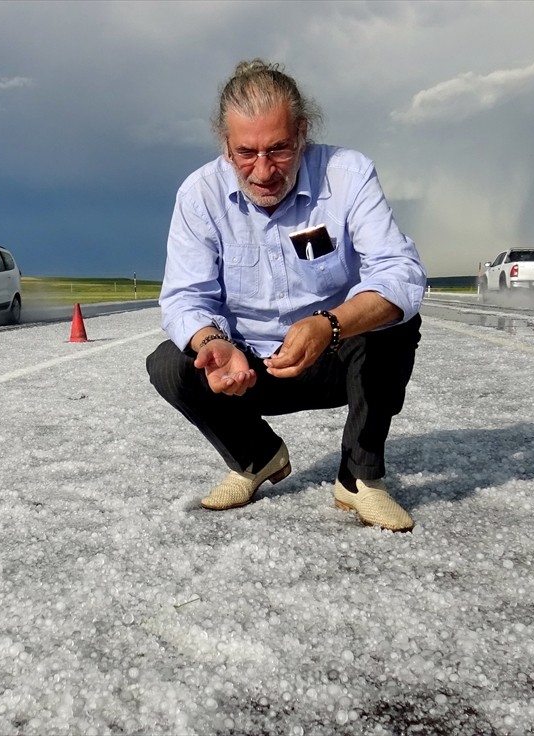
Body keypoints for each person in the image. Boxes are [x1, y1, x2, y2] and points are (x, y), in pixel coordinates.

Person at [146, 59, 426, 532]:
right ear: (225, 145)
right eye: (245, 152)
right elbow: (183, 299)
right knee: (170, 364)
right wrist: (213, 343)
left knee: (394, 321)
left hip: (335, 357)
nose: (263, 171)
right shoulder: (199, 195)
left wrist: (330, 325)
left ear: (302, 133)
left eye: (278, 149)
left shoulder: (349, 174)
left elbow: (401, 273)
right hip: (247, 370)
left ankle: (359, 478)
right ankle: (256, 457)